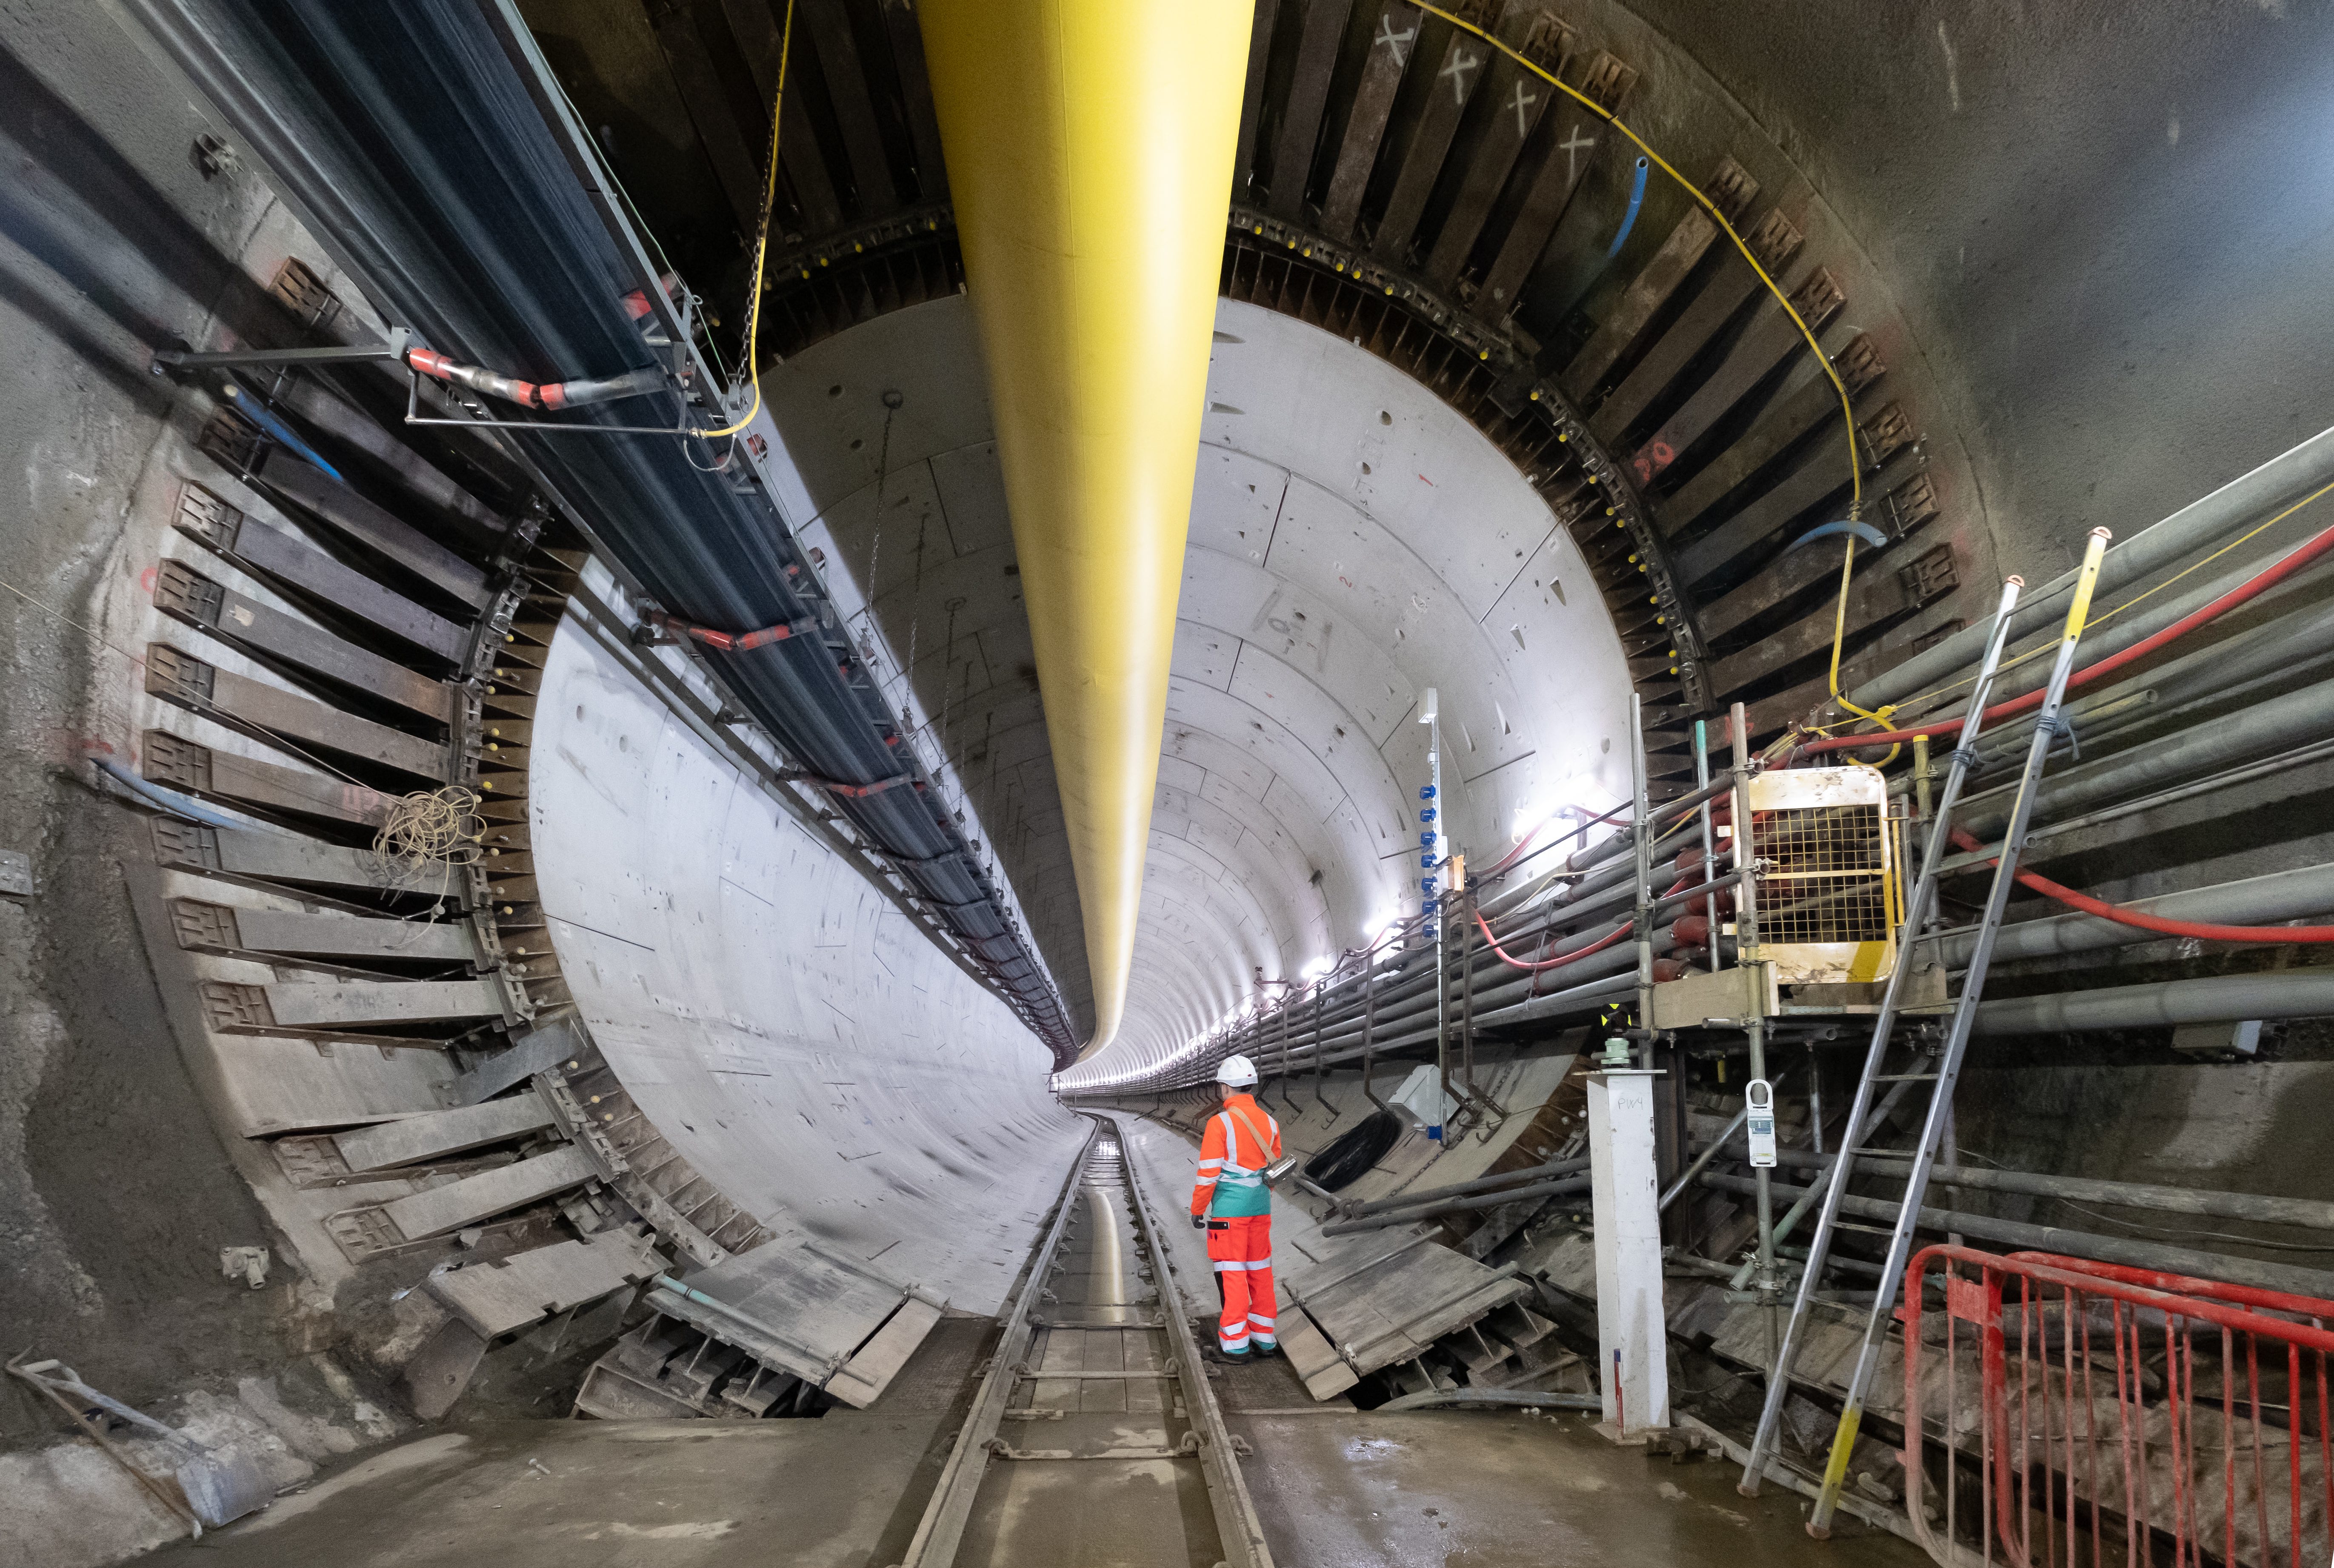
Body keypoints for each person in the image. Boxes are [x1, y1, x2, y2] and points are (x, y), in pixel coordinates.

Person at [1188, 1054, 1282, 1359]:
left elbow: (1208, 1173)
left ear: (1226, 1088)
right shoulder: (1270, 1122)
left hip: (1229, 1213)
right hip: (1260, 1209)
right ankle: (1264, 1336)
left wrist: (1198, 1208)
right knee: (1260, 1271)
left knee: (1232, 1274)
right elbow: (1274, 1166)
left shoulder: (1220, 1124)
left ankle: (1235, 1342)